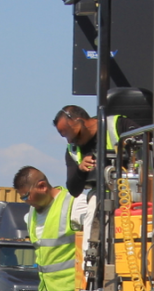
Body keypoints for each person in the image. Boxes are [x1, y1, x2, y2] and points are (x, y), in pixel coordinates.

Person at [52, 105, 137, 246]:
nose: (69, 141)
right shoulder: (73, 151)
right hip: (100, 198)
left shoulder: (118, 126)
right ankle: (92, 260)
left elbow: (149, 146)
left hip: (135, 193)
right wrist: (80, 170)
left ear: (78, 121)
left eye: (68, 133)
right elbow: (74, 190)